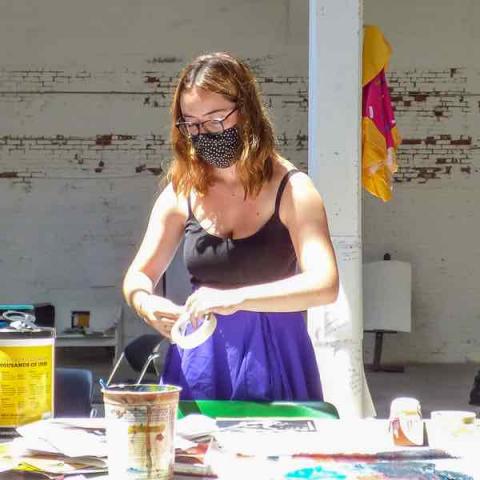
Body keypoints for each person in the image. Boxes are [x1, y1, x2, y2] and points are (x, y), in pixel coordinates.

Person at [123, 52, 339, 401]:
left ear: (246, 112)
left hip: (273, 353)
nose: (202, 133)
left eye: (214, 120)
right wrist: (145, 303)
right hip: (200, 356)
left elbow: (325, 284)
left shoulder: (293, 189)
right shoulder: (183, 189)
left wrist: (235, 298)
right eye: (190, 124)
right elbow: (138, 275)